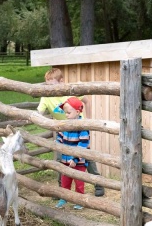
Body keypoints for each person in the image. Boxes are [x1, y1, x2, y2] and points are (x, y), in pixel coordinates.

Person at [37, 68, 105, 197]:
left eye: (52, 85)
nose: (50, 88)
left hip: (79, 127)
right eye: (47, 85)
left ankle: (98, 184)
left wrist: (88, 121)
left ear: (61, 82)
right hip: (62, 130)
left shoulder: (69, 91)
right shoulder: (46, 96)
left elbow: (86, 101)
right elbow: (39, 112)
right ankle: (61, 188)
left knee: (86, 155)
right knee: (60, 157)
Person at [55, 97, 90, 210]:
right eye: (65, 113)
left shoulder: (82, 126)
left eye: (68, 113)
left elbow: (83, 143)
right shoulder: (66, 124)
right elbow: (60, 136)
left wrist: (75, 159)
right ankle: (64, 198)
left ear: (78, 112)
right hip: (65, 160)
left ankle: (79, 201)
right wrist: (57, 143)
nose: (66, 115)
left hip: (78, 162)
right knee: (65, 181)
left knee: (79, 182)